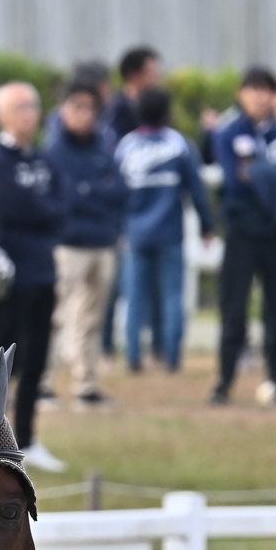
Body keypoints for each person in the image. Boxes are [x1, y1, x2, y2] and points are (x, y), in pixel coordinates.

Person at [0, 81, 67, 466]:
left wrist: (41, 211)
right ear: (1, 116)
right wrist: (41, 211)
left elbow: (60, 206)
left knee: (36, 362)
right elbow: (15, 207)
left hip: (44, 270)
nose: (29, 114)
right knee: (2, 362)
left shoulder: (44, 159)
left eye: (32, 106)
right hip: (11, 276)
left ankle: (27, 439)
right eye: (19, 107)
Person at [209, 66, 276, 407]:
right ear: (241, 94)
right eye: (253, 90)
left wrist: (257, 173)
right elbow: (234, 180)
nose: (260, 97)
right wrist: (273, 176)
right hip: (242, 231)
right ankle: (224, 381)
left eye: (266, 90)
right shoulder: (229, 133)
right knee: (233, 308)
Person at [112, 86, 212, 373]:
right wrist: (207, 225)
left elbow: (116, 192)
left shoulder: (127, 146)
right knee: (172, 297)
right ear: (167, 112)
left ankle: (133, 356)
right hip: (170, 233)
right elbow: (196, 189)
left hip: (135, 234)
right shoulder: (178, 144)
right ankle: (171, 358)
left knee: (134, 297)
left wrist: (117, 228)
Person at [46, 83, 124, 406]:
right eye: (77, 107)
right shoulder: (54, 152)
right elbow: (63, 198)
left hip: (102, 243)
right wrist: (94, 191)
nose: (84, 115)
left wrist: (87, 191)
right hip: (68, 245)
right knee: (55, 316)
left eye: (90, 108)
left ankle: (86, 384)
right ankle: (43, 382)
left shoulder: (103, 150)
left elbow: (120, 191)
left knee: (93, 318)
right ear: (63, 111)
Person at [106, 46, 161, 140]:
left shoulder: (157, 106)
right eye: (151, 72)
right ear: (133, 74)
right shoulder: (116, 108)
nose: (157, 77)